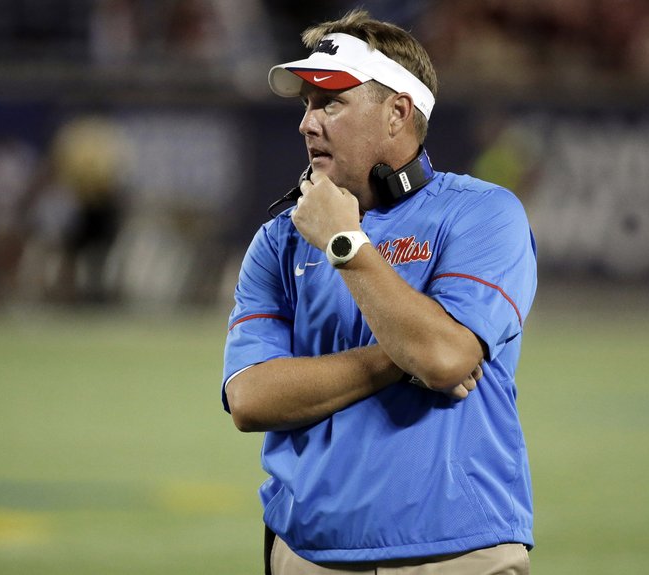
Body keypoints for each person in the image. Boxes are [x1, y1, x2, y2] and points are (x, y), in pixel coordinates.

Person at [221, 9, 537, 575]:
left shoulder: (482, 214)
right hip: (307, 554)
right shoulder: (278, 241)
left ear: (397, 113)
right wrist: (399, 357)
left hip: (459, 553)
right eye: (307, 105)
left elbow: (442, 359)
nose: (307, 124)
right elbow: (249, 399)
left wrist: (344, 242)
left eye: (330, 102)